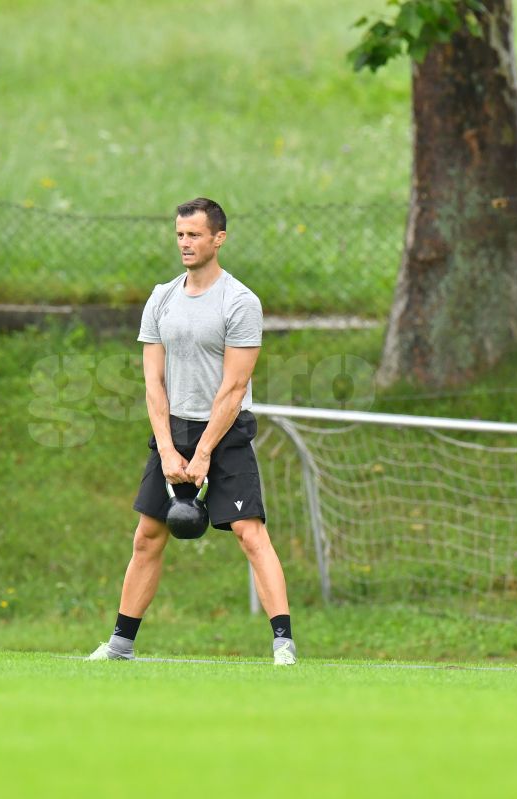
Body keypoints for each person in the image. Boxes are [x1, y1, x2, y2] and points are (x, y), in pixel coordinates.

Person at [87, 197, 297, 666]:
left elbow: (234, 385)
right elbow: (152, 383)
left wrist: (203, 453)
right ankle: (120, 645)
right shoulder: (162, 297)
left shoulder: (240, 302)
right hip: (173, 429)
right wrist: (166, 449)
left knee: (248, 531)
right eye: (180, 234)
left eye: (195, 235)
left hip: (225, 430)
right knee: (147, 536)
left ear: (218, 239)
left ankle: (283, 644)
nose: (185, 243)